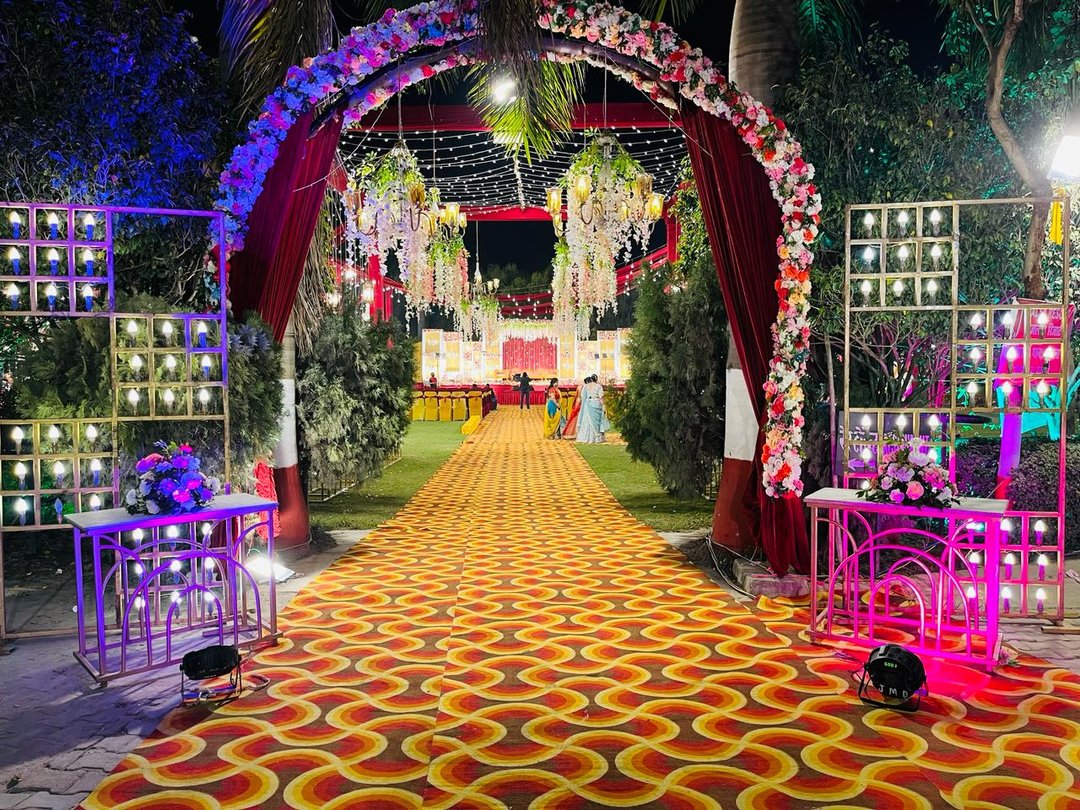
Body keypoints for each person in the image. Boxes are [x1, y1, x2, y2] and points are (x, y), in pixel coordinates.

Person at [576, 375, 611, 444]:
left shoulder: (586, 386)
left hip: (587, 404)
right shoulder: (599, 386)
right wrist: (603, 406)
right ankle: (597, 438)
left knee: (587, 421)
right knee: (597, 421)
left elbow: (582, 396)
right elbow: (601, 397)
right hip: (596, 403)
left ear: (591, 379)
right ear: (596, 379)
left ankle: (585, 437)